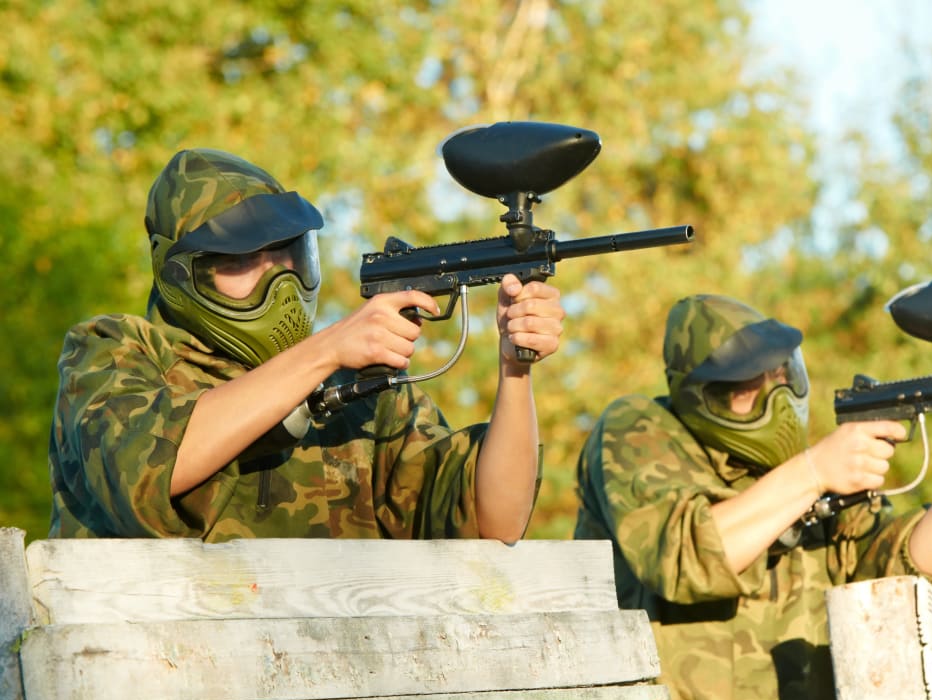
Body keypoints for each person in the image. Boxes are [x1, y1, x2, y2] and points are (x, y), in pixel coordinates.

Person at [573, 294, 932, 700]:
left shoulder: (807, 478)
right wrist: (813, 472)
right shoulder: (641, 432)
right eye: (748, 386)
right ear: (699, 395)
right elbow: (684, 557)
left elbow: (903, 579)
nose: (776, 399)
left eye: (782, 376)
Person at [49, 147, 565, 542]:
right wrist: (326, 351)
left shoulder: (364, 396)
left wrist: (514, 369)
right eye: (240, 260)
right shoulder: (115, 353)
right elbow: (144, 476)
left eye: (286, 253)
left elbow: (495, 521)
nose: (277, 279)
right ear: (183, 275)